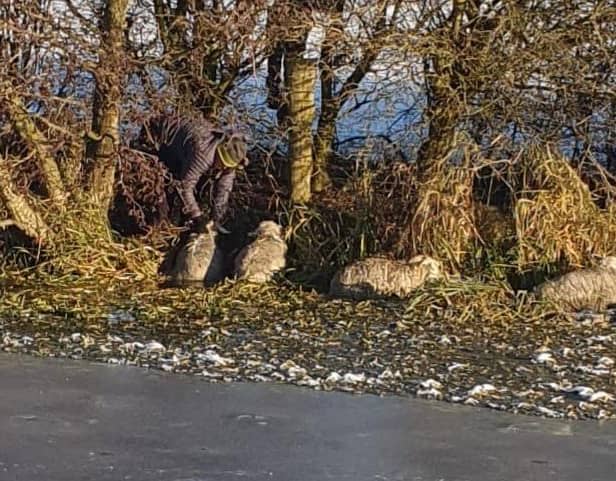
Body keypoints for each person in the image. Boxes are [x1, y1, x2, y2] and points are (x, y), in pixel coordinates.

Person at [138, 113, 248, 233]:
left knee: (192, 190)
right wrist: (197, 217)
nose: (224, 168)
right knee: (161, 194)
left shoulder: (231, 161)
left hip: (183, 150)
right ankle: (153, 231)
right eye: (223, 164)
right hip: (158, 137)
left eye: (228, 166)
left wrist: (217, 220)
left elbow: (223, 191)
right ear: (219, 153)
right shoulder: (203, 153)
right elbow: (185, 186)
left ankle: (182, 224)